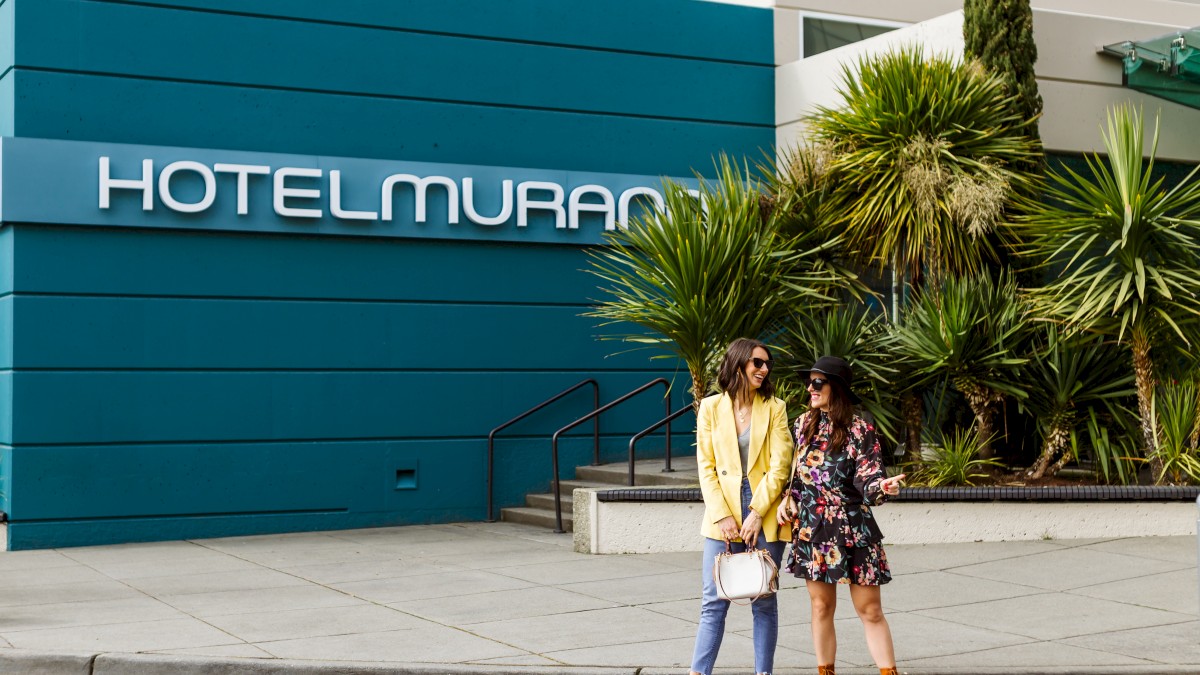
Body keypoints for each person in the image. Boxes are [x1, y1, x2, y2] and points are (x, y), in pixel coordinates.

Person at [777, 356, 905, 675]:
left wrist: (881, 487)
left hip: (853, 526)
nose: (810, 387)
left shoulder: (860, 429)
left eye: (818, 382)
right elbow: (800, 476)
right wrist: (788, 500)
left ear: (837, 388)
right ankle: (825, 671)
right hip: (814, 526)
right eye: (809, 381)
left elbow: (869, 474)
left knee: (870, 609)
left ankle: (889, 672)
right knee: (821, 606)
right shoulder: (802, 425)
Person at [690, 338, 794, 675]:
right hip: (722, 511)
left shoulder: (774, 407)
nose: (764, 370)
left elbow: (781, 466)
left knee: (763, 600)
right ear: (738, 364)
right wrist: (722, 515)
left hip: (763, 510)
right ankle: (697, 672)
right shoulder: (710, 408)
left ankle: (763, 673)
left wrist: (756, 513)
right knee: (713, 601)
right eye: (757, 363)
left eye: (767, 365)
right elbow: (706, 467)